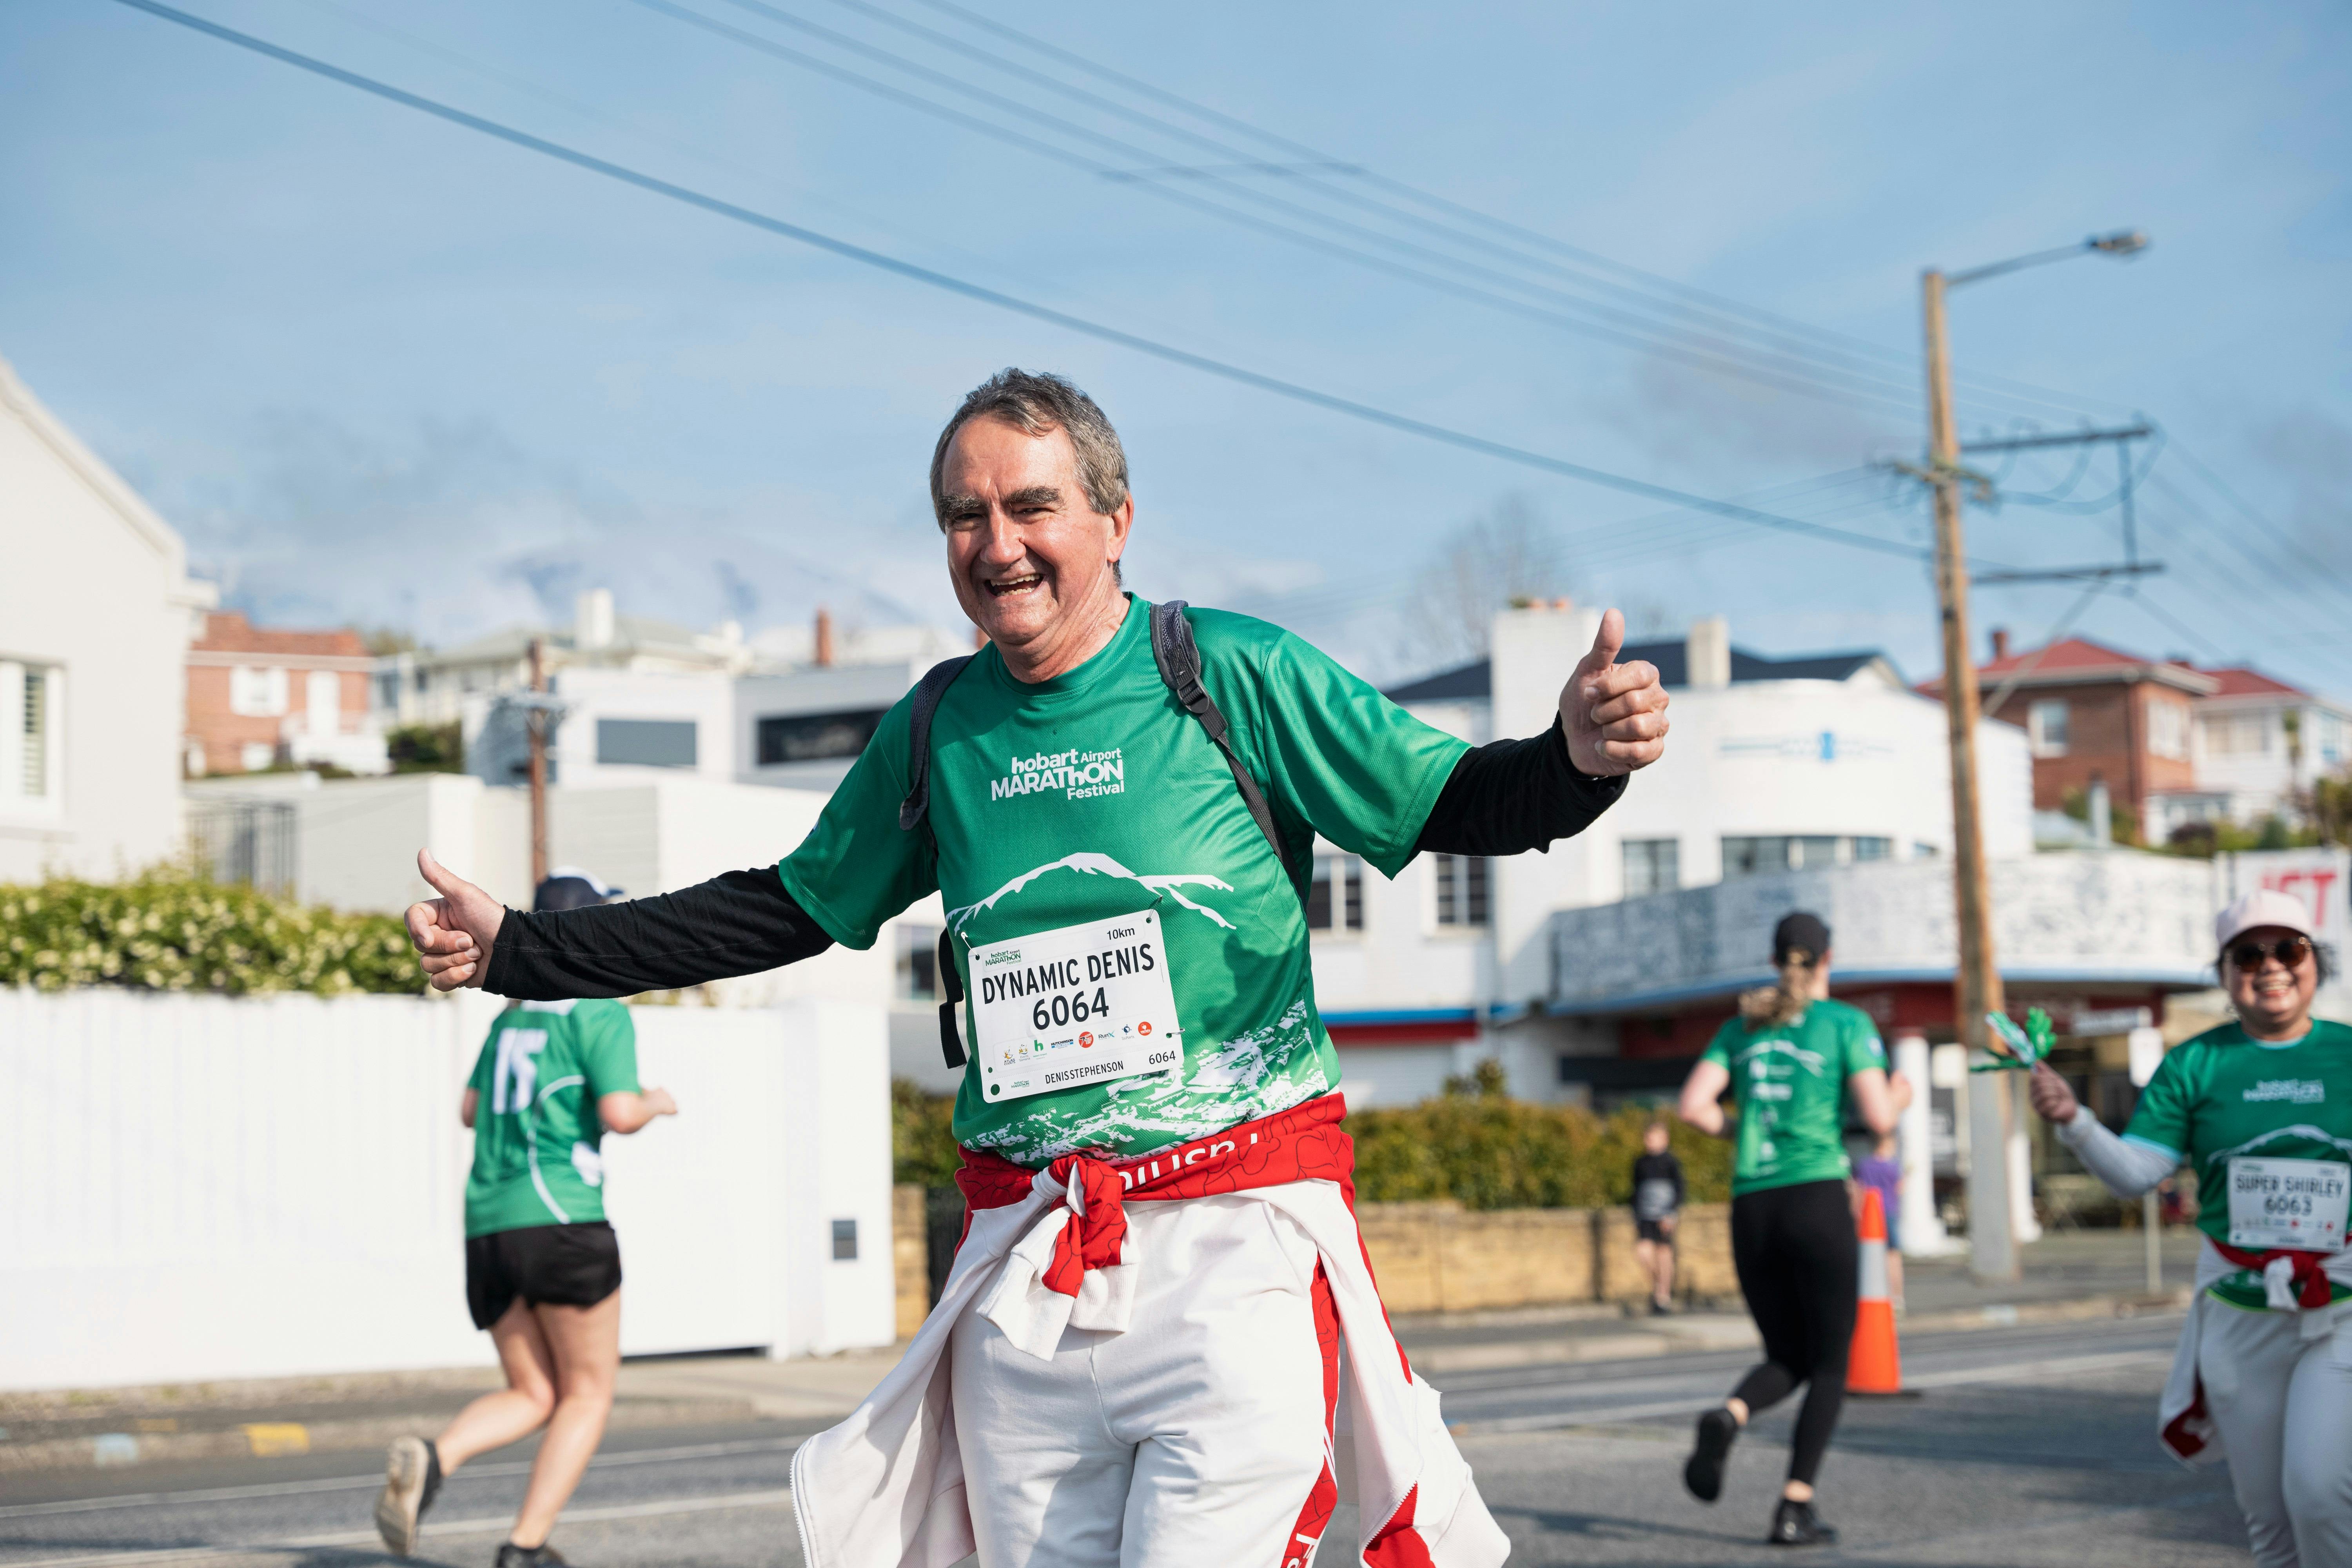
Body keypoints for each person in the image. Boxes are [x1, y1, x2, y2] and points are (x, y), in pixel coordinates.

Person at [399, 368, 1671, 1568]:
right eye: (966, 516)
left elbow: (1452, 799)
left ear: (1117, 521)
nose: (997, 543)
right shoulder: (939, 728)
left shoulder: (1230, 675)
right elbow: (783, 908)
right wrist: (521, 948)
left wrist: (1574, 759)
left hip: (1231, 1253)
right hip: (1025, 1277)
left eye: (1031, 506)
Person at [2028, 888, 2352, 1568]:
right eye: (2248, 955)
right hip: (2239, 1309)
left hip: (2341, 1307)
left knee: (2320, 1492)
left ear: (2315, 963)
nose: (2270, 966)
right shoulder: (2194, 1063)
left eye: (2288, 950)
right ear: (2226, 974)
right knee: (2268, 1521)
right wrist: (2075, 1122)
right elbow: (2138, 1173)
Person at [374, 869, 677, 1568]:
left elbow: (470, 1111)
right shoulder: (599, 1011)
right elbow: (618, 1112)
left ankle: (434, 1457)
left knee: (535, 1391)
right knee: (588, 1393)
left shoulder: (511, 1018)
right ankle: (525, 1547)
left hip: (489, 1226)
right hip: (563, 1218)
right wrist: (657, 1102)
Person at [1674, 911, 1907, 1547]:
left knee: (1787, 1356)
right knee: (1830, 1364)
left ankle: (1731, 1415)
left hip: (1753, 1207)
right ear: (1828, 959)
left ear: (1777, 960)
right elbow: (1878, 1118)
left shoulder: (1739, 1027)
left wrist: (1745, 1129)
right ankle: (1793, 1506)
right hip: (1815, 1199)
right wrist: (1901, 1096)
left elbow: (1693, 1108)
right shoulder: (1846, 1024)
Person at [1632, 1119, 1685, 1314]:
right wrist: (1636, 1215)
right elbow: (1636, 1191)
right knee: (1644, 1253)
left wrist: (1670, 1214)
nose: (1650, 1141)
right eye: (1648, 1137)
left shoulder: (1671, 1162)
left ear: (1665, 1139)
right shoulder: (1640, 1163)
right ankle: (1659, 1286)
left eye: (1654, 1137)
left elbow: (1680, 1189)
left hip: (1665, 1216)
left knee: (1664, 1255)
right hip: (1646, 1216)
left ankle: (1663, 1296)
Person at [1849, 1130, 1904, 1310]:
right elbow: (1899, 1189)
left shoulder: (1864, 1166)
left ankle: (1868, 1296)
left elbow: (1858, 1189)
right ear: (1889, 1144)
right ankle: (1896, 1298)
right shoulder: (1893, 1167)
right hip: (1889, 1212)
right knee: (1893, 1257)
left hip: (1868, 1216)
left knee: (1868, 1257)